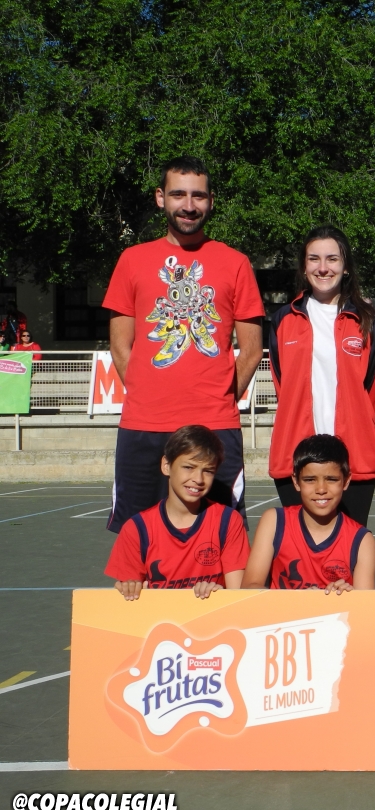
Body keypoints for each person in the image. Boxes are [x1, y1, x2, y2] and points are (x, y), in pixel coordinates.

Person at [103, 157, 264, 533]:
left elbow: (252, 349)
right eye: (178, 194)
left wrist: (221, 400)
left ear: (211, 201)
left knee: (221, 538)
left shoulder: (236, 263)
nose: (188, 205)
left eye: (198, 196)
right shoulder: (132, 260)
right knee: (139, 537)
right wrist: (146, 395)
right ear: (161, 198)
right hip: (144, 427)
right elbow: (120, 346)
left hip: (215, 427)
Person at [268, 226, 375, 525]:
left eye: (332, 259)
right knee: (299, 546)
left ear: (345, 267)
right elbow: (283, 385)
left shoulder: (368, 321)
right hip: (296, 453)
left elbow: (374, 389)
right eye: (314, 259)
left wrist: (359, 426)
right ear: (303, 266)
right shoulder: (283, 319)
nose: (323, 268)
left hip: (353, 456)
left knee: (350, 547)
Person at [104, 425, 250, 600]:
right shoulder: (136, 529)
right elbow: (129, 601)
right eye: (188, 467)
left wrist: (218, 594)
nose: (198, 479)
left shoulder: (228, 521)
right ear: (166, 466)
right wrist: (130, 589)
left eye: (208, 471)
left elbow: (238, 597)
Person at [243, 434, 375, 591]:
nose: (321, 489)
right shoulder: (274, 521)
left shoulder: (362, 540)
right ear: (296, 481)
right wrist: (300, 600)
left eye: (331, 479)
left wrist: (347, 598)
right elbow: (249, 586)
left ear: (346, 481)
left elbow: (365, 603)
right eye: (310, 480)